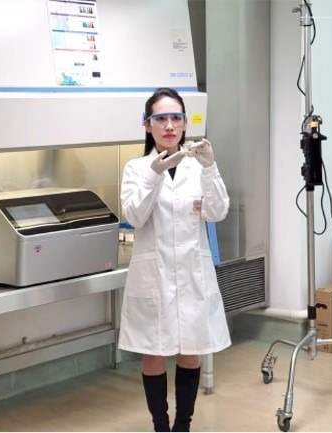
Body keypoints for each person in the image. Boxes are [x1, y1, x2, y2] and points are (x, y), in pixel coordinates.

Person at [118, 87, 231, 432]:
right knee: (154, 352)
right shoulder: (137, 168)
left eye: (176, 118)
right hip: (155, 274)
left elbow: (217, 211)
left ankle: (183, 425)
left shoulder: (198, 167)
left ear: (185, 123)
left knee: (190, 351)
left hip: (192, 272)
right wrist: (155, 173)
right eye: (161, 118)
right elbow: (135, 215)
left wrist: (210, 168)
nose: (169, 125)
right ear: (147, 125)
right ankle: (160, 426)